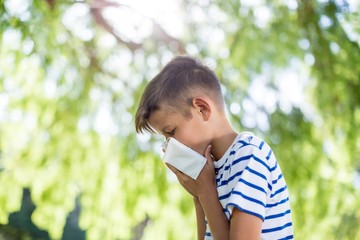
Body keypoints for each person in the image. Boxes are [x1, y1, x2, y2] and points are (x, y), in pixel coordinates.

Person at [135, 56, 294, 240]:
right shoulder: (210, 172)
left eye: (171, 132)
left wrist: (205, 192)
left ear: (202, 109)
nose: (170, 144)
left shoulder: (249, 154)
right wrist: (198, 197)